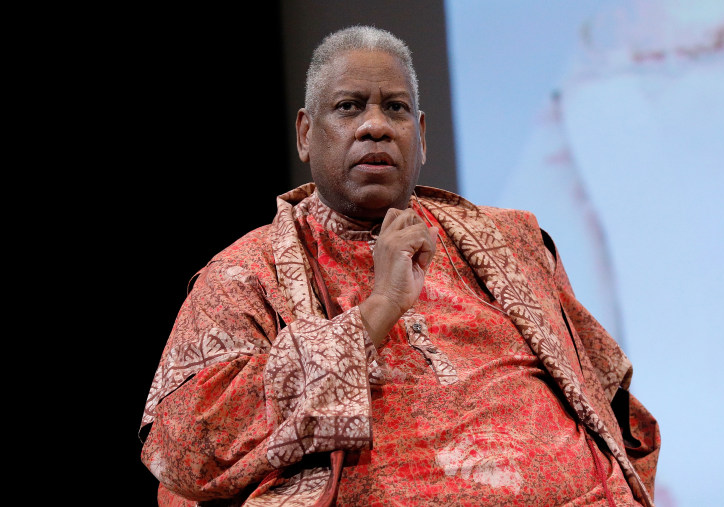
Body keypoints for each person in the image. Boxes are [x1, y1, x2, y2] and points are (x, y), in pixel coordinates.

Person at [139, 25, 660, 506]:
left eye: (396, 109)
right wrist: (376, 311)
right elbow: (185, 444)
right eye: (348, 107)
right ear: (304, 134)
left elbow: (611, 400)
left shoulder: (511, 241)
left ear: (422, 135)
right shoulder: (242, 276)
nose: (375, 127)